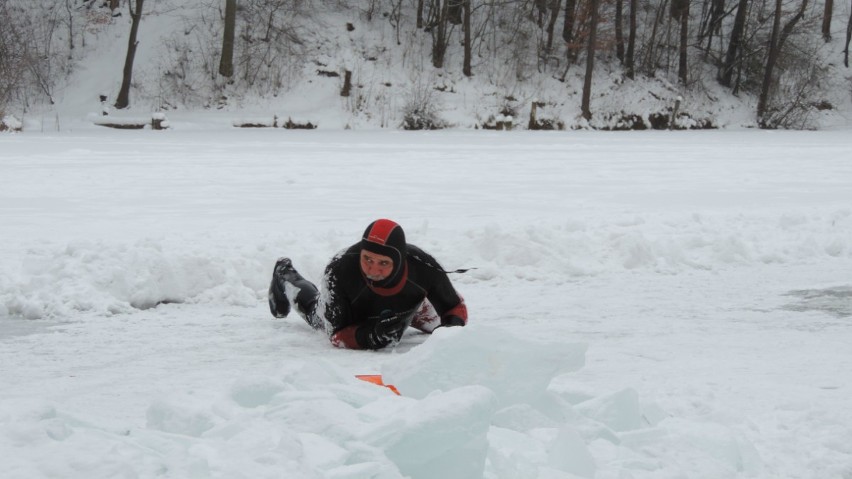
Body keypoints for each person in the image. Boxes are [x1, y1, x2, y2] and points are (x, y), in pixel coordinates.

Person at [268, 219, 468, 349]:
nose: (373, 270)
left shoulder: (422, 265)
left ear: (398, 262)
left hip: (409, 307)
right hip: (356, 313)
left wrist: (451, 332)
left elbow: (455, 307)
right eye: (368, 260)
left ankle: (409, 315)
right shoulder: (340, 270)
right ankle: (284, 274)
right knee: (314, 314)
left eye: (383, 263)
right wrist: (370, 336)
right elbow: (336, 335)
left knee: (443, 330)